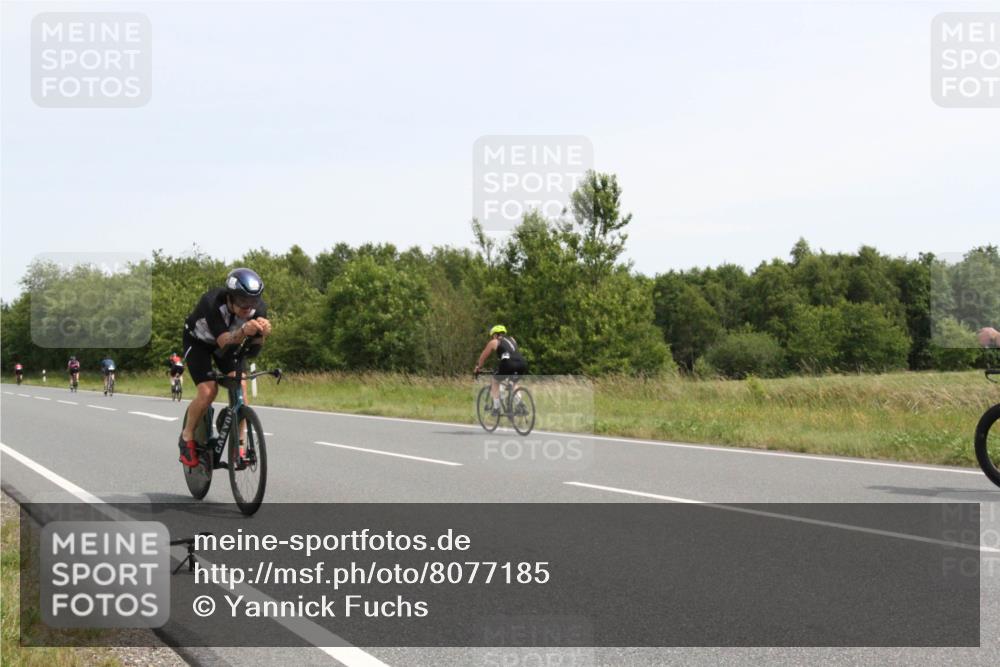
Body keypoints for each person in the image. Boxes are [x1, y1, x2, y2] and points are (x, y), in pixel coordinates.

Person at [178, 268, 272, 467]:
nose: (248, 307)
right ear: (230, 296)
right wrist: (244, 330)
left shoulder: (258, 309)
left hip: (230, 342)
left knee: (241, 385)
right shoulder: (212, 302)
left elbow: (252, 352)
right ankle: (186, 437)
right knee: (208, 391)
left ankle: (239, 445)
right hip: (199, 342)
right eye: (242, 300)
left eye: (253, 301)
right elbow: (225, 343)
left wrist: (262, 335)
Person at [474, 324, 528, 415]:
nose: (492, 338)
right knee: (513, 384)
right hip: (522, 363)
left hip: (508, 364)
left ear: (495, 335)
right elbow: (511, 353)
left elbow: (484, 356)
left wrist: (478, 367)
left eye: (492, 336)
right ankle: (520, 406)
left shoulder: (494, 342)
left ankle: (496, 408)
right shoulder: (512, 339)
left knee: (495, 381)